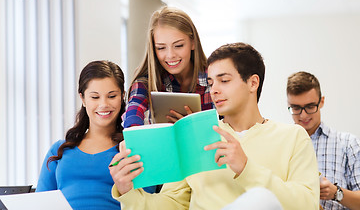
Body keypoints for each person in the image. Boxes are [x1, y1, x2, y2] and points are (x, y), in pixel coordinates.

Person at [109, 42, 320, 210]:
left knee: (260, 200)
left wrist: (246, 168)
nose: (214, 90)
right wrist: (128, 192)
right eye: (210, 83)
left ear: (253, 83)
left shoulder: (293, 137)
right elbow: (171, 204)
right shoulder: (197, 136)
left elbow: (306, 205)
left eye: (224, 80)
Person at [36, 60, 155, 210]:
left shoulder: (134, 149)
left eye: (111, 96)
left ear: (122, 97)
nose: (103, 104)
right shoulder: (59, 150)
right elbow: (40, 203)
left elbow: (148, 203)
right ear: (83, 99)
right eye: (95, 97)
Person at [122, 6, 213, 128]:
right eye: (161, 48)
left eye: (179, 45)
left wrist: (195, 127)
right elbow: (134, 110)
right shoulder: (146, 82)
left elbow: (230, 126)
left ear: (193, 42)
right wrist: (133, 133)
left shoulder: (214, 78)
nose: (170, 55)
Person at [287, 71, 360, 210]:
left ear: (321, 101)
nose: (303, 115)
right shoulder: (282, 145)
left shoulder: (348, 144)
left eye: (310, 106)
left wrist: (336, 193)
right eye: (296, 108)